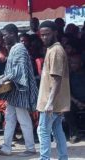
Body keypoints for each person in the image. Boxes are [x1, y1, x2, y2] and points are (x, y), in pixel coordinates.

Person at [0, 24, 38, 157]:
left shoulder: (19, 49)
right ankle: (6, 147)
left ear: (12, 33)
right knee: (9, 117)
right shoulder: (14, 49)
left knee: (23, 119)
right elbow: (12, 70)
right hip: (14, 90)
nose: (3, 38)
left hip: (20, 90)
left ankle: (30, 148)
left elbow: (18, 71)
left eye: (5, 35)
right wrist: (2, 77)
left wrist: (3, 78)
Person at [37, 21, 70, 160]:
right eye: (42, 35)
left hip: (50, 102)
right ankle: (63, 157)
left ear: (55, 33)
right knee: (57, 130)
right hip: (56, 101)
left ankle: (44, 158)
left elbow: (56, 79)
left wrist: (49, 103)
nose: (44, 37)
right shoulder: (52, 49)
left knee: (43, 131)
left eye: (47, 34)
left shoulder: (56, 50)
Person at [65, 54, 85, 144]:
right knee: (67, 109)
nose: (73, 65)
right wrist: (77, 102)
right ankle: (76, 133)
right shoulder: (69, 76)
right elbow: (67, 92)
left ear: (80, 64)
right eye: (71, 63)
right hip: (76, 102)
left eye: (75, 63)